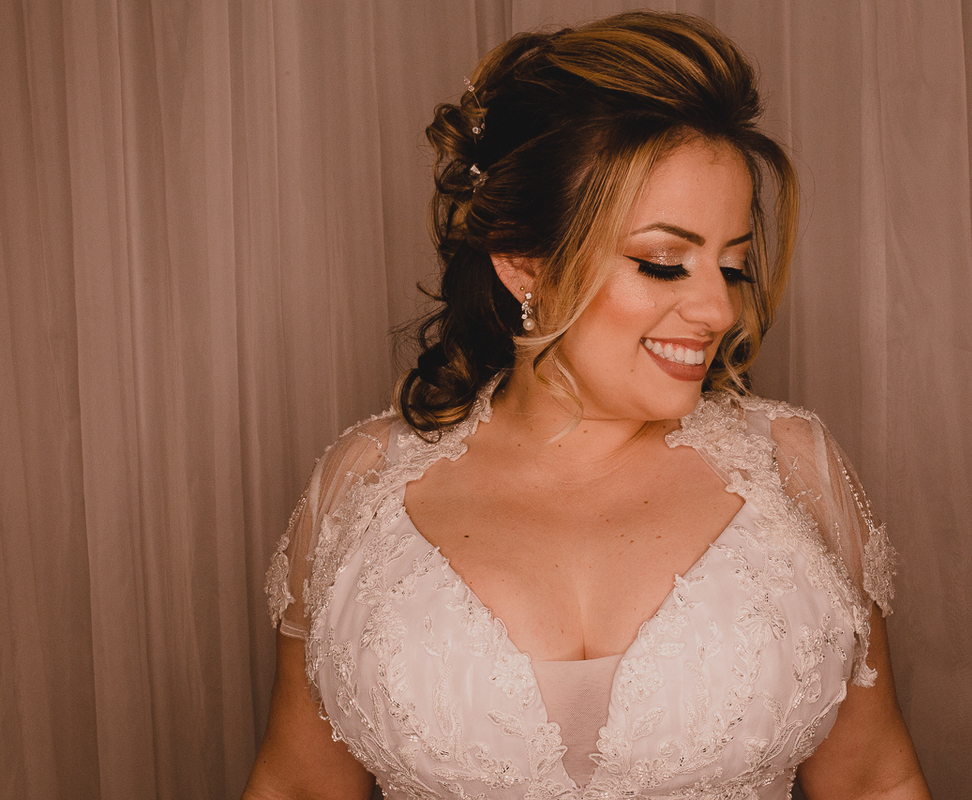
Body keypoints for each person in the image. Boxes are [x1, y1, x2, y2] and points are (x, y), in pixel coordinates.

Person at [243, 11, 930, 800]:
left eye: (733, 266)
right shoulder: (362, 485)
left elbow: (874, 779)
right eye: (664, 262)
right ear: (522, 260)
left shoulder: (792, 468)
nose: (720, 311)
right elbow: (298, 785)